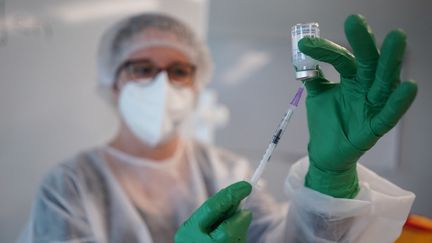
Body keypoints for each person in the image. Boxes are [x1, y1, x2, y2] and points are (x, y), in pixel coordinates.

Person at [18, 12, 418, 243]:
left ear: (196, 81)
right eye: (142, 68)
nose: (162, 84)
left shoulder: (228, 171)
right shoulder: (70, 185)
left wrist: (329, 180)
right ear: (112, 81)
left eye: (178, 70)